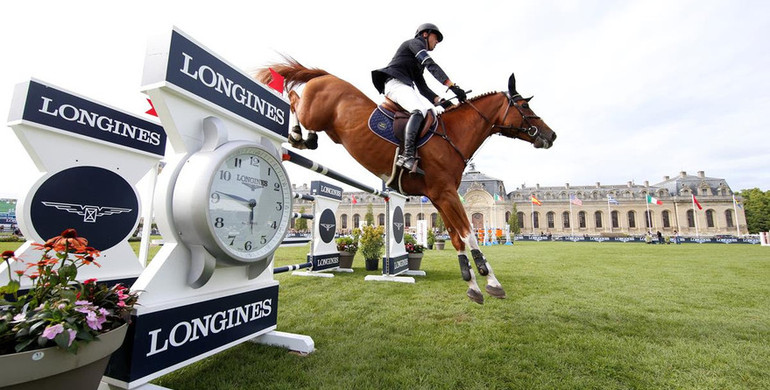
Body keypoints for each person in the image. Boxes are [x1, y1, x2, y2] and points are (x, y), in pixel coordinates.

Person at [372, 23, 468, 174]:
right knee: (420, 110)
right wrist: (451, 85)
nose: (436, 43)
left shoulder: (416, 63)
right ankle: (407, 156)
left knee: (428, 111)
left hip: (403, 86)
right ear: (425, 34)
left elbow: (423, 89)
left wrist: (445, 104)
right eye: (436, 38)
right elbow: (431, 64)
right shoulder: (414, 43)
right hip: (395, 83)